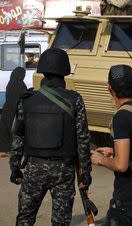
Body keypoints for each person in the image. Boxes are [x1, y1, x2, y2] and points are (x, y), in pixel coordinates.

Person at [9, 48, 92, 226]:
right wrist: (85, 173)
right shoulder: (75, 99)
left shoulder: (27, 99)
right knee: (61, 222)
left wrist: (15, 167)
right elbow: (83, 140)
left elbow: (18, 137)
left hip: (34, 169)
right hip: (64, 171)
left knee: (24, 218)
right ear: (65, 70)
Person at [90, 64, 132, 225]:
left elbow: (121, 165)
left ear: (109, 88)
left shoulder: (121, 117)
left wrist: (100, 159)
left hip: (129, 199)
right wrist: (114, 150)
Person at [0, 67, 27, 157]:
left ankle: (3, 150)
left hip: (6, 109)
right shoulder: (21, 85)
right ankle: (15, 149)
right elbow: (22, 98)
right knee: (15, 129)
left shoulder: (10, 83)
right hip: (15, 110)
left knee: (4, 129)